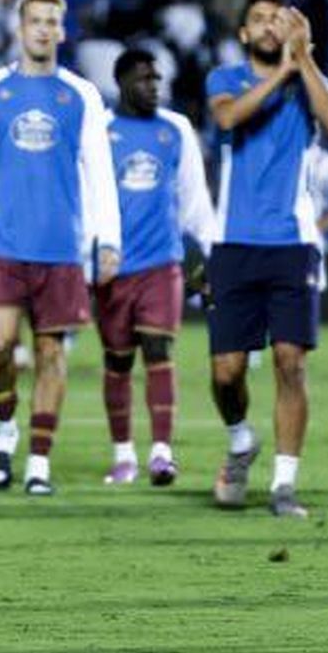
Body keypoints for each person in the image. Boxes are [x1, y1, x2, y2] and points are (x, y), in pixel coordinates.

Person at [0, 0, 120, 497]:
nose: (43, 29)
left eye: (52, 21)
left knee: (51, 354)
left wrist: (108, 239)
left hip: (60, 248)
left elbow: (100, 172)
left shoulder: (81, 95)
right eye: (35, 20)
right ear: (20, 30)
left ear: (63, 31)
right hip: (0, 242)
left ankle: (39, 461)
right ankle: (4, 427)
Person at [205, 0, 328, 517]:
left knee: (291, 363)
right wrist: (283, 71)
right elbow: (228, 119)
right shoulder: (224, 78)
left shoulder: (307, 80)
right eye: (259, 20)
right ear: (244, 34)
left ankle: (284, 484)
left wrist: (304, 59)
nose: (269, 27)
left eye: (278, 19)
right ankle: (241, 439)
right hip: (234, 242)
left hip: (294, 244)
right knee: (226, 371)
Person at [96, 48, 215, 485]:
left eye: (157, 80)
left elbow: (194, 197)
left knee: (159, 352)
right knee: (117, 362)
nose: (154, 87)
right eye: (145, 79)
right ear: (122, 82)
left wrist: (210, 250)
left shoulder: (176, 129)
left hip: (162, 263)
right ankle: (123, 455)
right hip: (113, 267)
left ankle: (162, 452)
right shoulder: (100, 131)